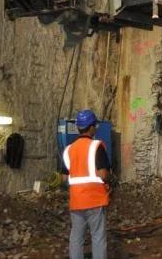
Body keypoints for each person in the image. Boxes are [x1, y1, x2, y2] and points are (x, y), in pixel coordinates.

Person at [62, 110, 110, 259]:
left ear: (78, 127)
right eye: (94, 125)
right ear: (91, 127)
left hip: (76, 201)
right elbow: (103, 174)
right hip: (95, 200)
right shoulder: (96, 146)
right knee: (98, 237)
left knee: (76, 238)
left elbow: (64, 177)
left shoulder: (69, 149)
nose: (95, 128)